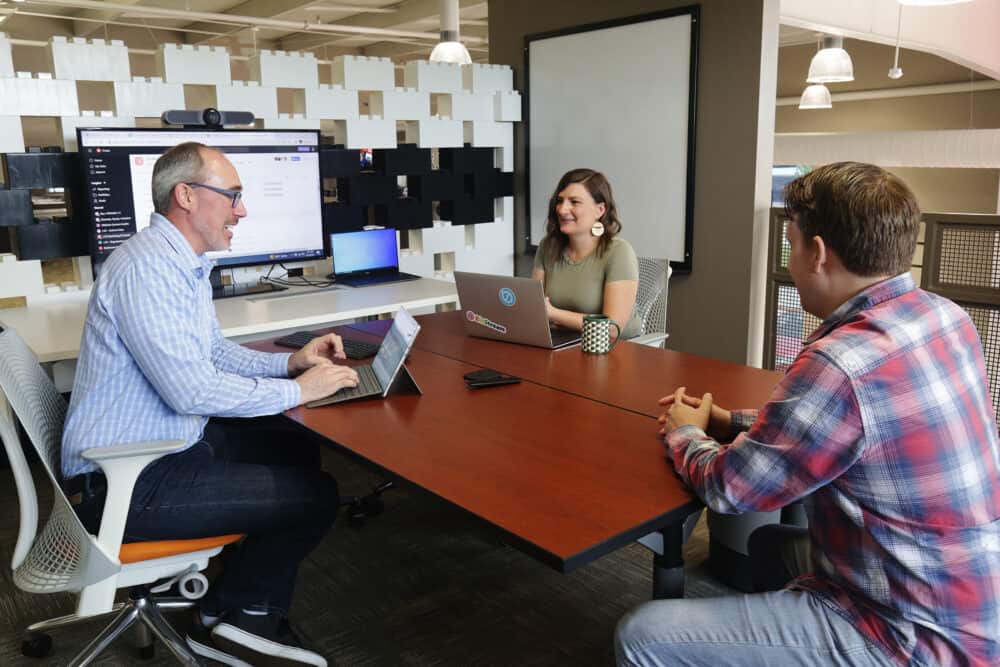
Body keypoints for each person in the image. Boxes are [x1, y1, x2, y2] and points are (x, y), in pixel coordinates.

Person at [615, 162, 1000, 666]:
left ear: (816, 253)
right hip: (973, 602)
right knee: (775, 544)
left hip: (906, 637)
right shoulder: (944, 316)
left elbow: (729, 490)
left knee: (641, 635)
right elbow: (857, 423)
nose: (790, 257)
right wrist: (731, 421)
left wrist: (686, 432)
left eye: (790, 243)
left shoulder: (841, 361)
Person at [61, 142, 359, 667]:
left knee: (292, 448)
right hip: (126, 481)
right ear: (186, 197)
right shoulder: (149, 270)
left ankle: (234, 599)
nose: (241, 211)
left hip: (163, 445)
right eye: (233, 196)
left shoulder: (181, 262)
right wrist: (300, 392)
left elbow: (212, 352)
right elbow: (191, 390)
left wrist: (289, 366)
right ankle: (231, 624)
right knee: (316, 494)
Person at [532, 168, 640, 339]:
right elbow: (535, 308)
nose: (561, 209)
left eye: (574, 202)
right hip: (565, 344)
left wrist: (553, 314)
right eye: (560, 201)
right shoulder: (547, 246)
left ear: (600, 210)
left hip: (615, 350)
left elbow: (611, 328)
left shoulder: (619, 252)